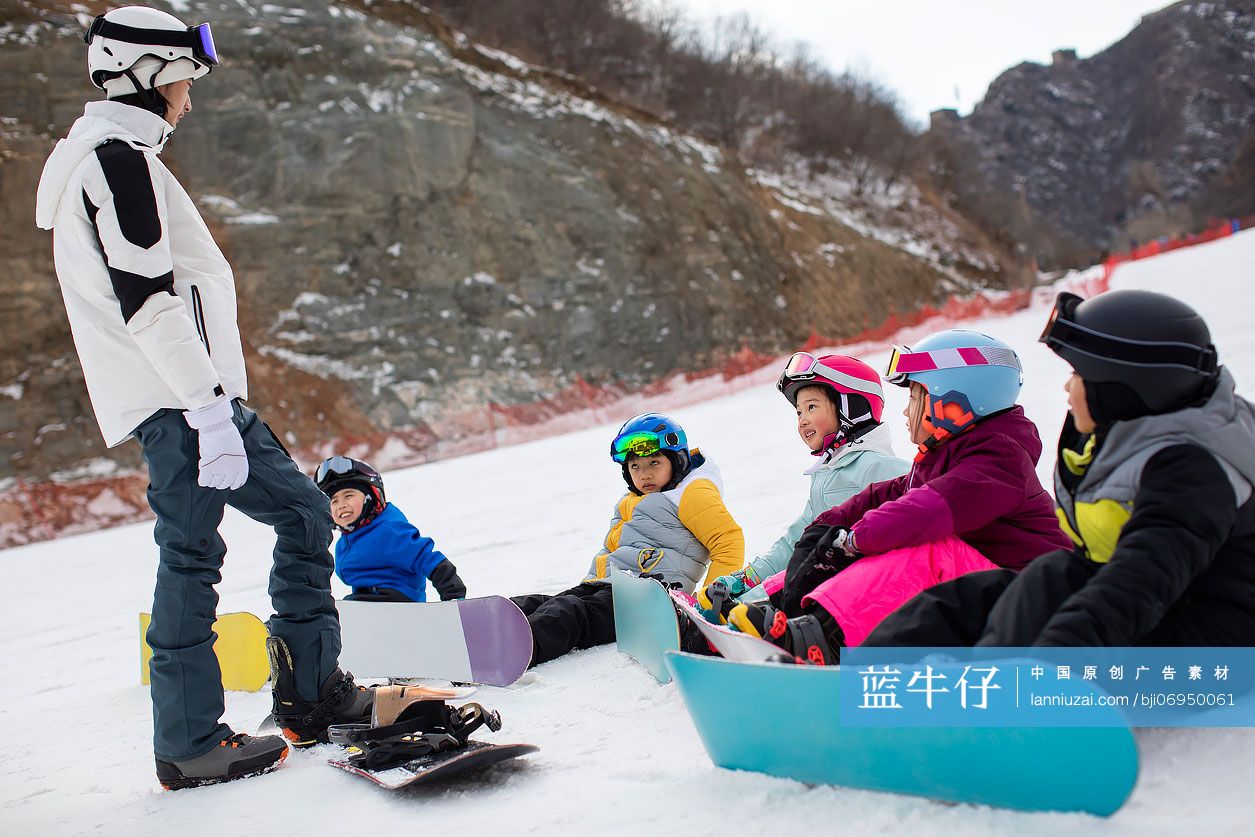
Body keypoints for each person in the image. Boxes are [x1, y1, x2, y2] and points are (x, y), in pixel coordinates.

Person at [34, 7, 370, 789]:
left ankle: (309, 696)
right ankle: (191, 741)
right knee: (193, 557)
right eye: (186, 77)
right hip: (182, 402)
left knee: (300, 511)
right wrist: (210, 409)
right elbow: (148, 301)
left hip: (187, 397)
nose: (190, 95)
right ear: (148, 75)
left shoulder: (113, 157)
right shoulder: (116, 162)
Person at [863, 290, 1255, 648]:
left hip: (1212, 643)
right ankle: (867, 677)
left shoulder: (1191, 471)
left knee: (1050, 589)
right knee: (996, 593)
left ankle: (999, 704)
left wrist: (1051, 667)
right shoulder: (1135, 439)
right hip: (1162, 605)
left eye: (1079, 375)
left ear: (1124, 385)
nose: (1067, 388)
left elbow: (1141, 579)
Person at [728, 330, 1072, 663]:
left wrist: (852, 541)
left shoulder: (999, 460)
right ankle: (771, 611)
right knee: (841, 549)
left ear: (953, 400)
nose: (905, 412)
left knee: (925, 550)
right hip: (988, 592)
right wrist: (830, 522)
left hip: (1036, 598)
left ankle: (826, 637)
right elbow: (886, 493)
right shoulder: (944, 456)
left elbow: (927, 510)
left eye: (914, 398)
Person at [509, 413, 744, 666]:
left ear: (677, 459)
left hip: (647, 601)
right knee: (546, 604)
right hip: (610, 587)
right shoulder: (630, 500)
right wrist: (591, 583)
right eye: (635, 467)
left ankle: (508, 653)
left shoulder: (691, 493)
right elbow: (610, 548)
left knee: (569, 612)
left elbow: (728, 542)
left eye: (654, 463)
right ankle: (485, 627)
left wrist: (706, 607)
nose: (644, 475)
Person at [695, 353, 909, 620]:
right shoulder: (827, 474)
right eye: (798, 412)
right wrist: (749, 578)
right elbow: (796, 541)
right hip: (820, 590)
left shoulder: (880, 467)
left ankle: (744, 619)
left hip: (859, 601)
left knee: (758, 604)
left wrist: (751, 601)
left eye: (812, 407)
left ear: (852, 407)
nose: (802, 420)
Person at [314, 456, 467, 603]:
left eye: (348, 496)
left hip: (398, 601)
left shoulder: (388, 531)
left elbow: (426, 558)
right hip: (371, 605)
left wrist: (453, 594)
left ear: (370, 498)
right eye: (334, 501)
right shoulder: (346, 542)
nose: (341, 505)